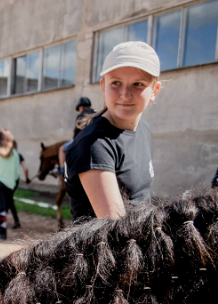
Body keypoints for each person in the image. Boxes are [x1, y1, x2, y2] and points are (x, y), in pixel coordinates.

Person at [65, 41, 162, 221]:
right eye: (116, 83)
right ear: (103, 87)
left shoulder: (143, 129)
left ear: (155, 90)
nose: (125, 94)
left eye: (138, 84)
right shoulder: (94, 146)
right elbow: (116, 232)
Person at [0, 130, 23, 240]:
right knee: (6, 206)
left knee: (2, 208)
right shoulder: (15, 154)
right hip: (9, 184)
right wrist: (13, 183)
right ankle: (1, 229)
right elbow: (16, 172)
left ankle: (2, 232)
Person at [50, 97, 95, 178]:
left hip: (82, 141)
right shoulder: (96, 113)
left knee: (62, 149)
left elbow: (77, 132)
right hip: (95, 140)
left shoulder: (80, 115)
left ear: (80, 107)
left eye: (79, 108)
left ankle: (62, 170)